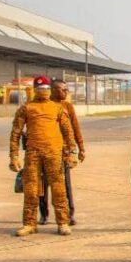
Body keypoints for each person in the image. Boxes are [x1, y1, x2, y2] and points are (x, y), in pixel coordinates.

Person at [9, 76, 77, 237]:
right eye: (40, 89)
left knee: (59, 189)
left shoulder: (57, 108)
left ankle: (63, 222)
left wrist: (72, 153)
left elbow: (68, 132)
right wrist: (14, 156)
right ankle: (29, 223)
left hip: (54, 153)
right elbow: (16, 133)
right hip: (33, 154)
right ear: (34, 90)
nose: (43, 92)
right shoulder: (26, 108)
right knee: (31, 189)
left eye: (46, 89)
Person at [38, 79, 85, 226]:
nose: (65, 92)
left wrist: (80, 148)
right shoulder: (41, 106)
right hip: (44, 151)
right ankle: (43, 214)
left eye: (66, 89)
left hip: (62, 152)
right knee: (42, 185)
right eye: (62, 89)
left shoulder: (67, 107)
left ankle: (69, 214)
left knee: (65, 185)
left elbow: (75, 128)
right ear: (52, 90)